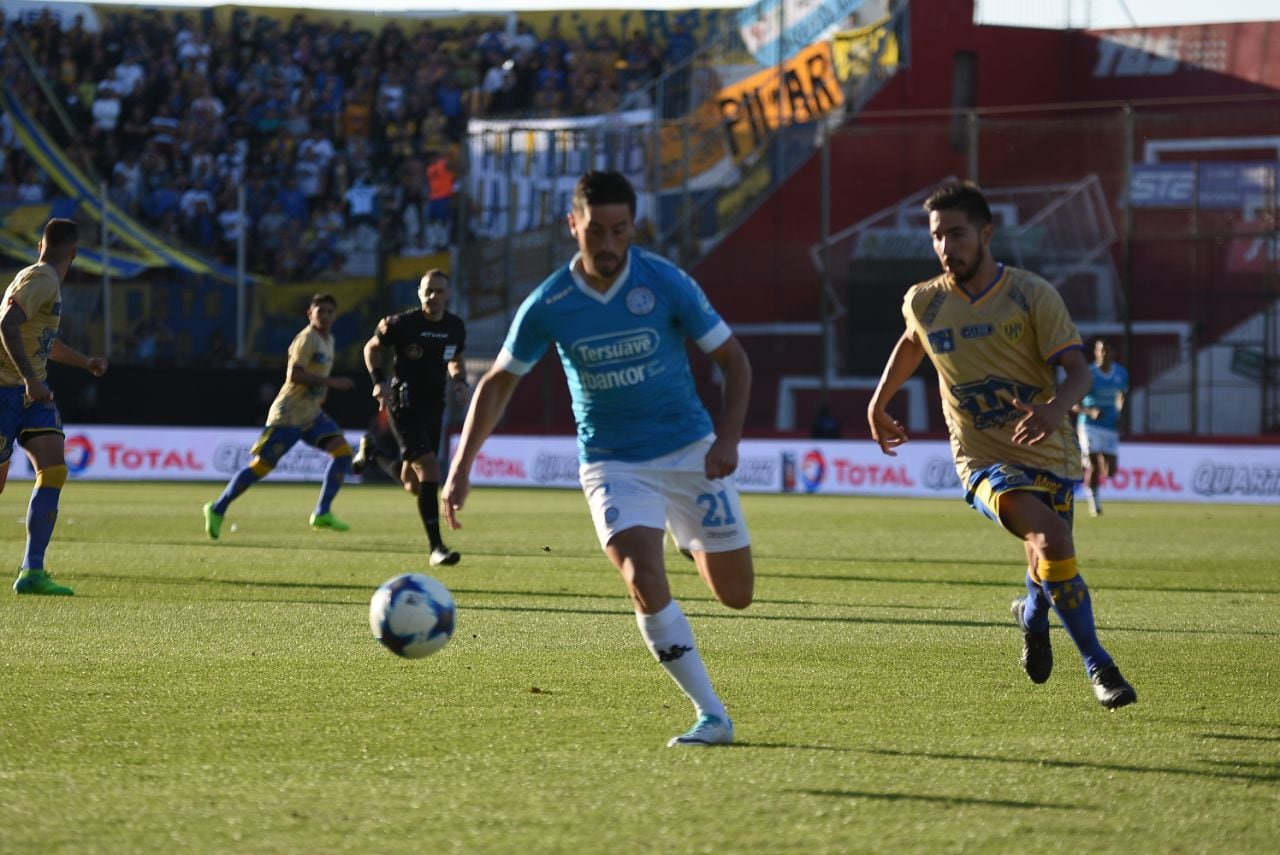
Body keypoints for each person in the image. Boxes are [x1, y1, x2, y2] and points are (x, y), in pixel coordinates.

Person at [441, 170, 756, 747]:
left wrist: (729, 440)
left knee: (736, 595)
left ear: (634, 226)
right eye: (595, 232)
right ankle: (711, 713)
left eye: (619, 231)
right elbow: (498, 383)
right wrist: (461, 468)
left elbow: (735, 361)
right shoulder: (551, 303)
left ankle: (685, 539)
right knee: (641, 575)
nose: (608, 245)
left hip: (690, 452)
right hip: (613, 462)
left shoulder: (665, 283)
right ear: (572, 225)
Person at [867, 181, 1137, 710]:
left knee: (1045, 560)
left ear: (987, 233)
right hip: (982, 461)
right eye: (937, 236)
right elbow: (910, 342)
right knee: (1052, 536)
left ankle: (1031, 618)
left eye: (957, 234)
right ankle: (1100, 667)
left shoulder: (1032, 294)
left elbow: (1078, 373)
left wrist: (1055, 410)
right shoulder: (923, 301)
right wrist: (878, 403)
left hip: (1052, 451)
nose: (946, 246)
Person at [2, 219, 109, 595]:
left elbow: (42, 340)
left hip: (32, 397)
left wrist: (84, 362)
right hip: (6, 391)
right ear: (75, 253)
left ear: (39, 245)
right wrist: (31, 378)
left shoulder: (41, 280)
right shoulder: (43, 279)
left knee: (54, 469)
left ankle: (32, 570)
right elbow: (7, 324)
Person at [203, 293, 355, 538]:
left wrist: (322, 393)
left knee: (343, 453)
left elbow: (316, 375)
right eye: (321, 311)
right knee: (262, 467)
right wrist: (332, 382)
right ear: (310, 313)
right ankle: (217, 508)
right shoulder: (306, 339)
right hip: (288, 415)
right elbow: (294, 375)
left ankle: (322, 512)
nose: (325, 315)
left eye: (329, 311)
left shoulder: (329, 340)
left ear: (335, 315)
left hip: (311, 414)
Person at [363, 269, 468, 566]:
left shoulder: (455, 327)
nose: (433, 296)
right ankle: (436, 548)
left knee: (414, 484)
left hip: (434, 406)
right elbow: (372, 348)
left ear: (447, 295)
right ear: (419, 293)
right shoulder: (401, 324)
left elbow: (456, 358)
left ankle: (374, 454)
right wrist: (379, 381)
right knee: (432, 471)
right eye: (428, 290)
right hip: (403, 402)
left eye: (439, 291)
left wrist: (460, 382)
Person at [1074, 339, 1129, 517]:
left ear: (1113, 353)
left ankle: (1085, 462)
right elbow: (1074, 404)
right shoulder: (1089, 374)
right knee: (1094, 467)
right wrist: (1090, 412)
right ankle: (1095, 504)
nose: (1104, 354)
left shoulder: (1121, 373)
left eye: (1107, 350)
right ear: (1096, 353)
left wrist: (1121, 414)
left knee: (1110, 471)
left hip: (1110, 425)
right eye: (1100, 351)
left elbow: (1122, 395)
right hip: (1089, 425)